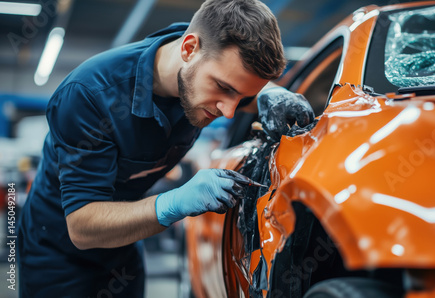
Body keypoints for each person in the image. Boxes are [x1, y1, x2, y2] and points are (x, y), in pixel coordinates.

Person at [18, 0, 314, 296]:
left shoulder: (204, 59)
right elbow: (81, 227)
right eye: (224, 89)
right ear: (188, 49)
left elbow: (237, 80)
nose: (229, 112)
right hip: (57, 254)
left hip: (125, 244)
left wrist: (274, 93)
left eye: (243, 97)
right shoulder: (90, 96)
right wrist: (174, 203)